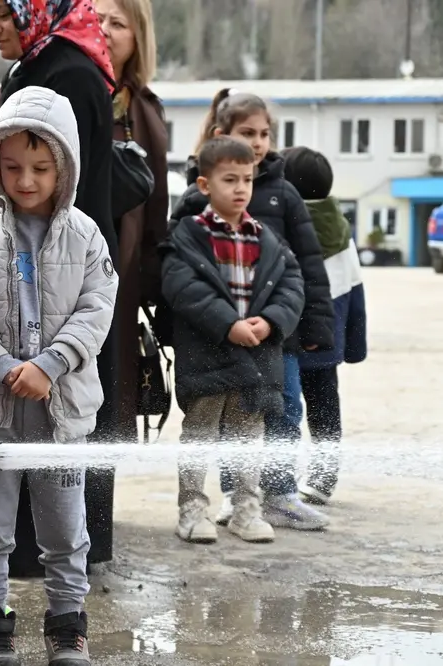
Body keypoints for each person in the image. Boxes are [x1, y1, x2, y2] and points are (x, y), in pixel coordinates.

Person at [0, 85, 117, 666]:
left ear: (64, 165)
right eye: (11, 166)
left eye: (41, 167)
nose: (25, 180)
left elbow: (98, 309)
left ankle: (67, 624)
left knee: (67, 534)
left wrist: (51, 363)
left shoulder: (88, 235)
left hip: (59, 416)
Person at [171, 88, 335, 532]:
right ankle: (210, 504)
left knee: (269, 420)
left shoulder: (277, 210)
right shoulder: (191, 215)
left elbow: (301, 272)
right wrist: (226, 324)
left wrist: (288, 322)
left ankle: (265, 500)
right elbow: (179, 281)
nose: (259, 143)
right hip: (212, 347)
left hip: (268, 344)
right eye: (248, 133)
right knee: (211, 426)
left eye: (265, 133)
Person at [162, 137, 305, 545]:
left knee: (248, 440)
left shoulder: (267, 239)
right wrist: (227, 324)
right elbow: (181, 286)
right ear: (205, 186)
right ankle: (192, 510)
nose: (241, 188)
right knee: (200, 435)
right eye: (230, 180)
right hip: (208, 358)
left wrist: (271, 322)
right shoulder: (189, 235)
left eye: (247, 179)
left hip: (256, 361)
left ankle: (246, 510)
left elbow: (292, 286)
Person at [94, 0, 170, 440]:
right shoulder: (75, 88)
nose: (105, 29)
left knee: (116, 376)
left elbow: (157, 198)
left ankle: (99, 503)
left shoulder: (146, 107)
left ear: (138, 37)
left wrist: (154, 277)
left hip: (124, 265)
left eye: (117, 23)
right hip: (74, 252)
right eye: (98, 18)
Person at [281, 146, 367, 506]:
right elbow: (355, 288)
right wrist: (354, 347)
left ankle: (277, 477)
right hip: (328, 342)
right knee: (325, 409)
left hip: (286, 339)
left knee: (284, 411)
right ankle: (324, 476)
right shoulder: (342, 231)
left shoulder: (285, 223)